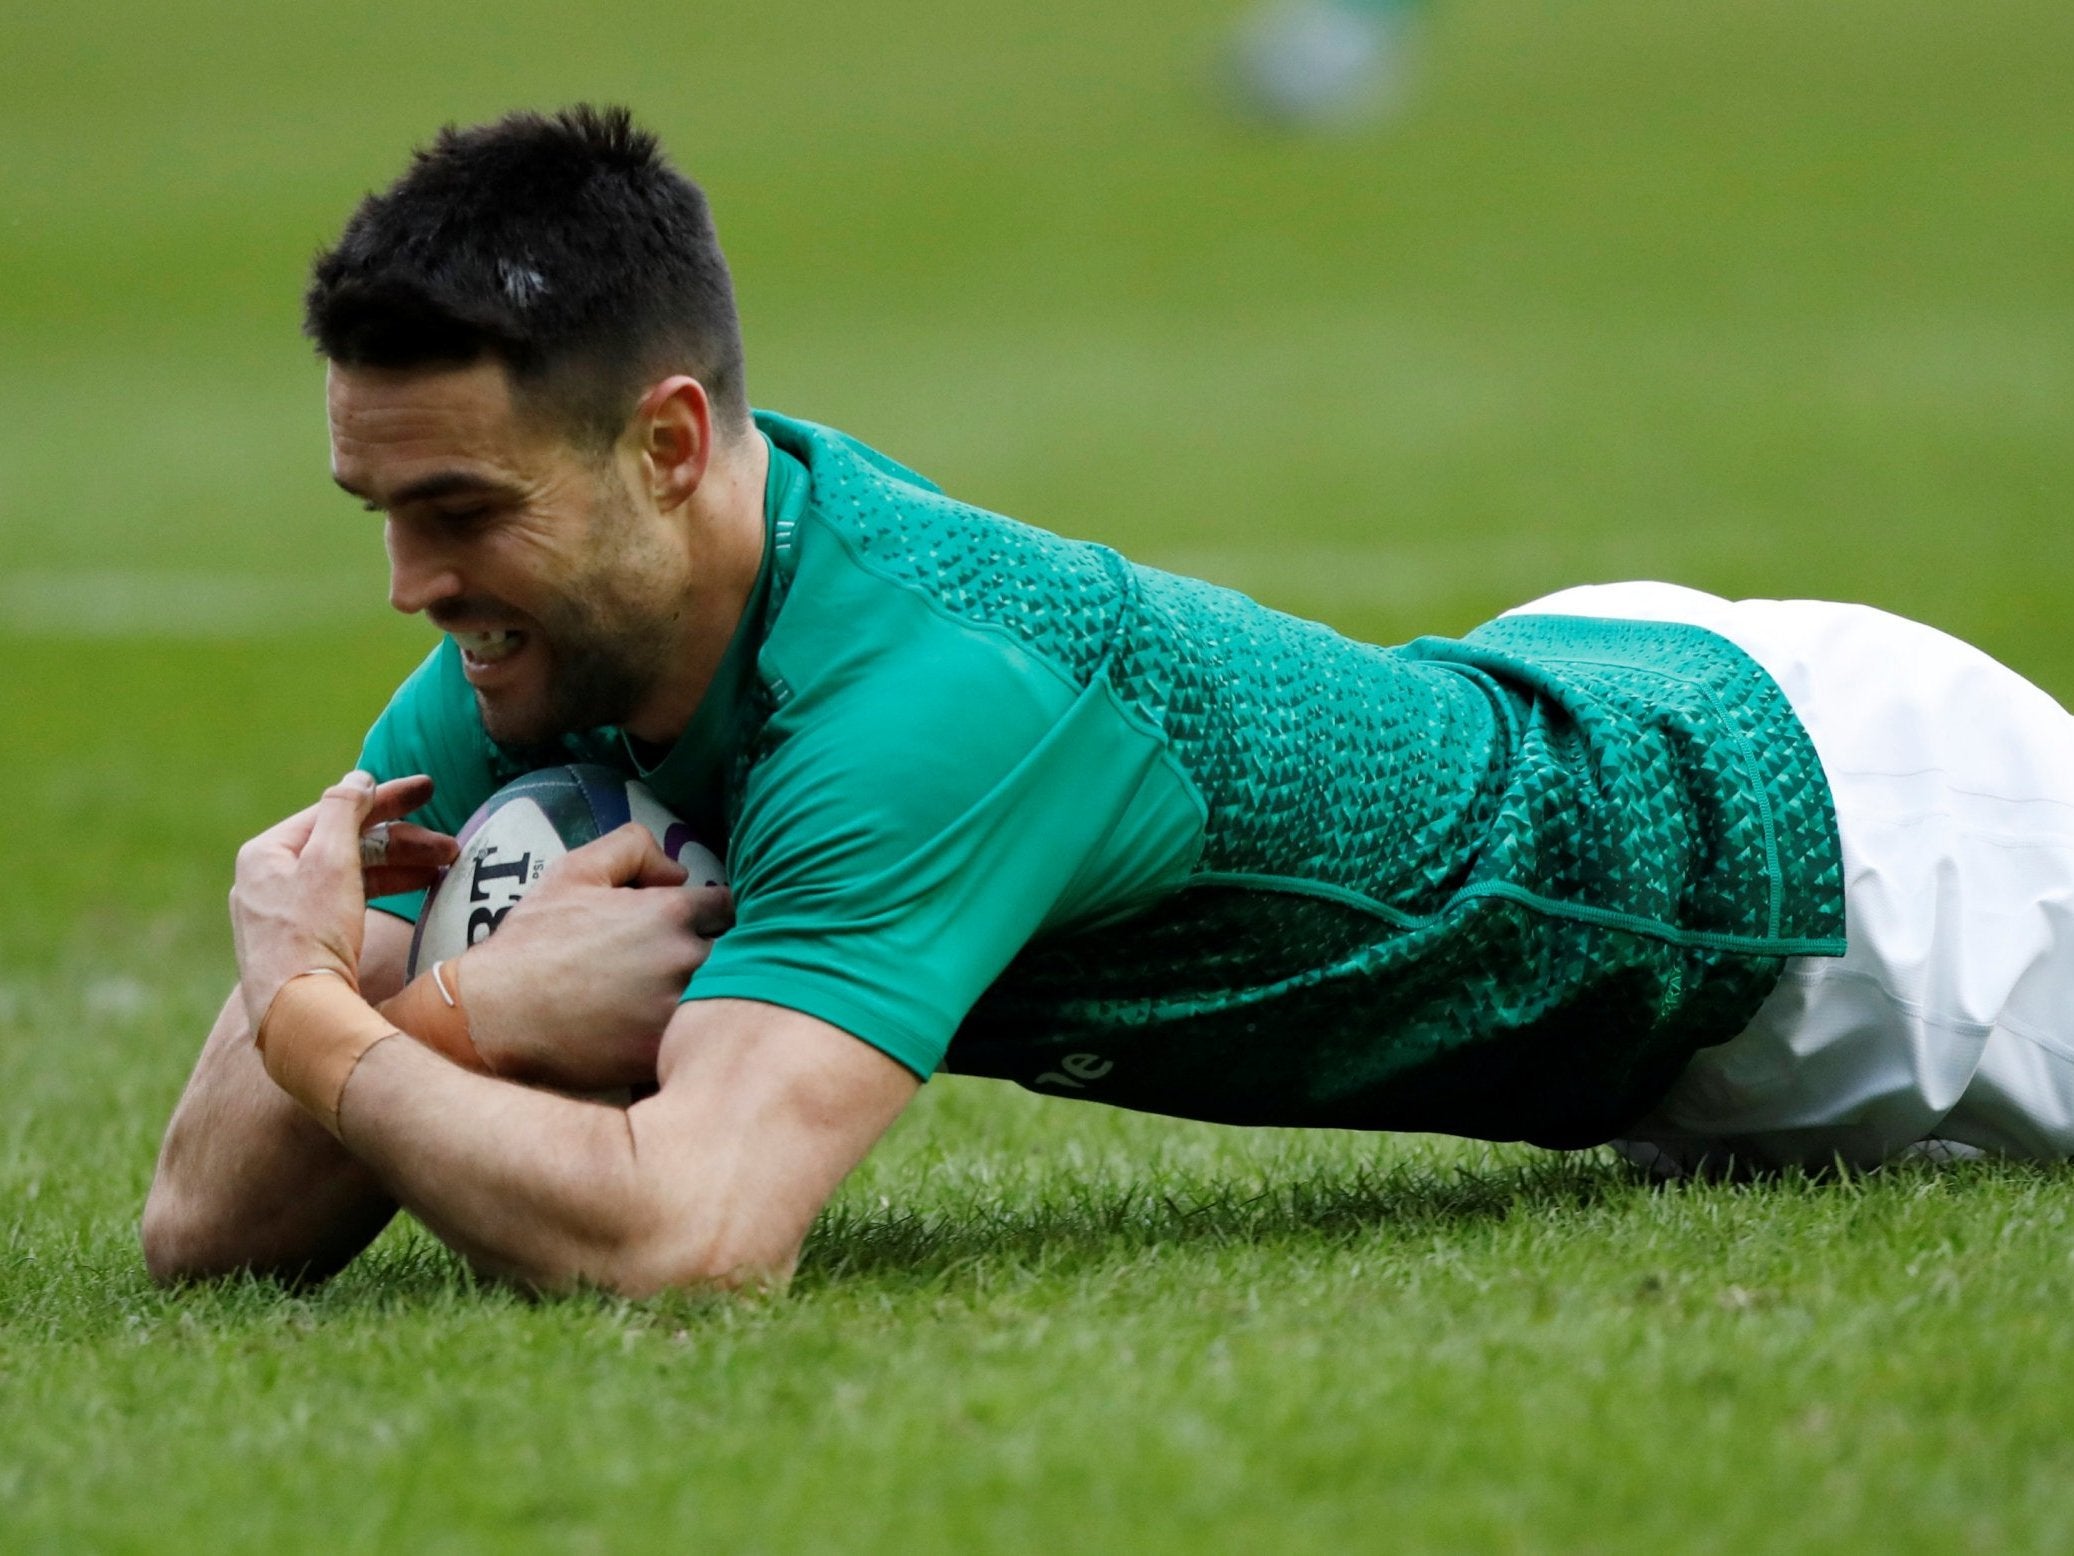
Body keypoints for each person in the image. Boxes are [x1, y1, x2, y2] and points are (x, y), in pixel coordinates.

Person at [142, 106, 2074, 1296]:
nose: (411, 587)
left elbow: (684, 1237)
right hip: (1573, 710)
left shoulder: (920, 701)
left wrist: (343, 1020)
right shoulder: (541, 638)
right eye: (380, 510)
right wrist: (455, 1014)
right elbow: (204, 1235)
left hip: (1831, 876)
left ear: (666, 447)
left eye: (460, 510)